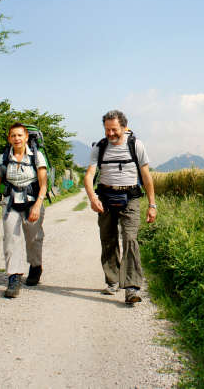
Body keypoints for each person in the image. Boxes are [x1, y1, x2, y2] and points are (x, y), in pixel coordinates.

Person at [83, 109, 157, 304]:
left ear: (124, 127)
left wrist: (152, 204)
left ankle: (132, 288)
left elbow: (147, 177)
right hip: (106, 198)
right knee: (108, 240)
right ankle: (113, 279)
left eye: (114, 129)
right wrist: (92, 198)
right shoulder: (99, 147)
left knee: (130, 239)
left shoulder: (136, 145)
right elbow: (89, 175)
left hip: (130, 198)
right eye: (107, 130)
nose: (110, 134)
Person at [0, 123, 48, 299]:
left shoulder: (37, 156)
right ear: (9, 138)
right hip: (10, 202)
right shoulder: (3, 158)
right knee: (11, 238)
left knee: (33, 238)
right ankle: (14, 276)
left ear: (26, 137)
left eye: (20, 135)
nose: (17, 139)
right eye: (13, 135)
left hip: (32, 202)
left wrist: (37, 206)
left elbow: (43, 184)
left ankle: (35, 266)